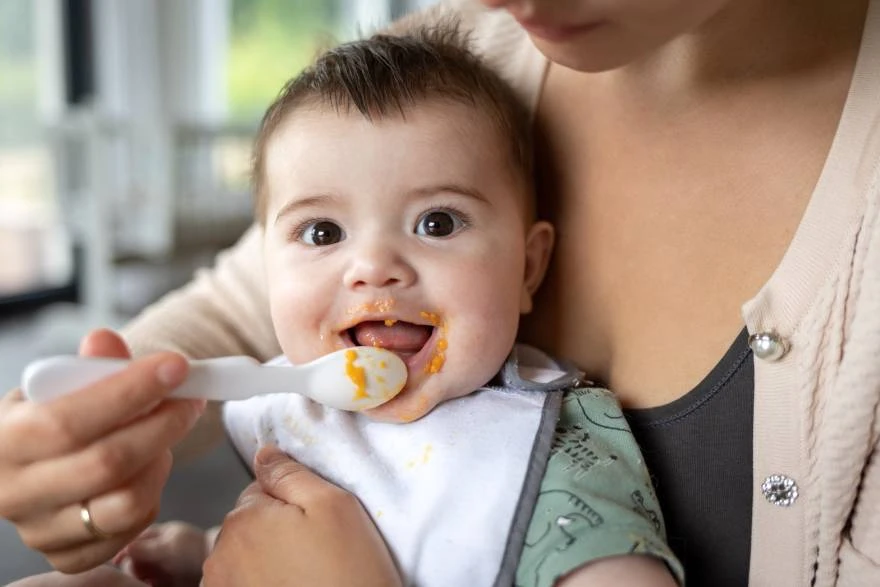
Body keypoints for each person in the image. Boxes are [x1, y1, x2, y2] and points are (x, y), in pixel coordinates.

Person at [2, 0, 879, 584]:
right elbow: (236, 307)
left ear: (532, 263)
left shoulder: (560, 490)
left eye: (438, 224)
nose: (369, 270)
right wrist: (101, 455)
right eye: (322, 234)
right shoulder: (452, 60)